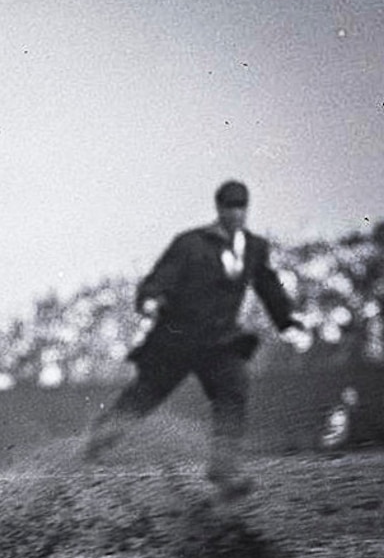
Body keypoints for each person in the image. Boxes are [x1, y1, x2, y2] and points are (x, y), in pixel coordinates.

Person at [84, 180, 307, 496]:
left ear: (246, 210)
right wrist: (150, 299)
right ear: (218, 209)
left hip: (219, 343)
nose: (235, 214)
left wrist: (287, 322)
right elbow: (160, 277)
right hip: (176, 340)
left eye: (240, 207)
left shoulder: (253, 248)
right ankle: (92, 449)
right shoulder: (190, 244)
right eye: (229, 207)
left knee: (233, 390)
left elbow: (267, 285)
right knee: (142, 398)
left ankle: (224, 468)